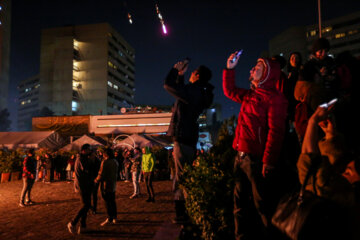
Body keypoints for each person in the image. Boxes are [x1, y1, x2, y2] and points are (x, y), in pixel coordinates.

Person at [222, 52, 288, 239]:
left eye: (258, 68)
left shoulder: (275, 98)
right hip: (240, 156)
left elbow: (277, 132)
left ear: (267, 74)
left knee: (263, 205)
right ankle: (240, 236)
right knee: (238, 204)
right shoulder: (251, 94)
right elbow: (230, 91)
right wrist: (230, 68)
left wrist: (268, 161)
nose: (252, 69)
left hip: (256, 160)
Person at [296, 103, 360, 239]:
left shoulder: (344, 198)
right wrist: (330, 135)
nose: (343, 173)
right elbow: (336, 164)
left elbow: (310, 167)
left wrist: (312, 122)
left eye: (348, 172)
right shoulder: (347, 192)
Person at [164, 59, 214, 223]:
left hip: (183, 137)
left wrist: (174, 70)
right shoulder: (199, 91)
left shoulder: (193, 91)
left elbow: (168, 86)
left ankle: (182, 215)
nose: (190, 73)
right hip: (188, 137)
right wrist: (180, 76)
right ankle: (187, 212)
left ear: (197, 75)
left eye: (192, 72)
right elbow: (182, 92)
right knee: (185, 175)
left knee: (181, 178)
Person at [67, 144, 94, 235]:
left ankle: (83, 226)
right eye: (89, 150)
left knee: (86, 205)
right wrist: (92, 160)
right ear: (83, 150)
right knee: (85, 205)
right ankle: (72, 222)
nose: (90, 151)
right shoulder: (82, 159)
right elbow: (87, 169)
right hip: (82, 185)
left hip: (85, 184)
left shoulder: (82, 158)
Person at [94, 148, 119, 226]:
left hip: (105, 184)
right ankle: (115, 217)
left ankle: (109, 217)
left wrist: (96, 180)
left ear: (105, 154)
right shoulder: (115, 161)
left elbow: (101, 173)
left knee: (107, 202)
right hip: (113, 183)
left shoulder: (105, 162)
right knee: (112, 201)